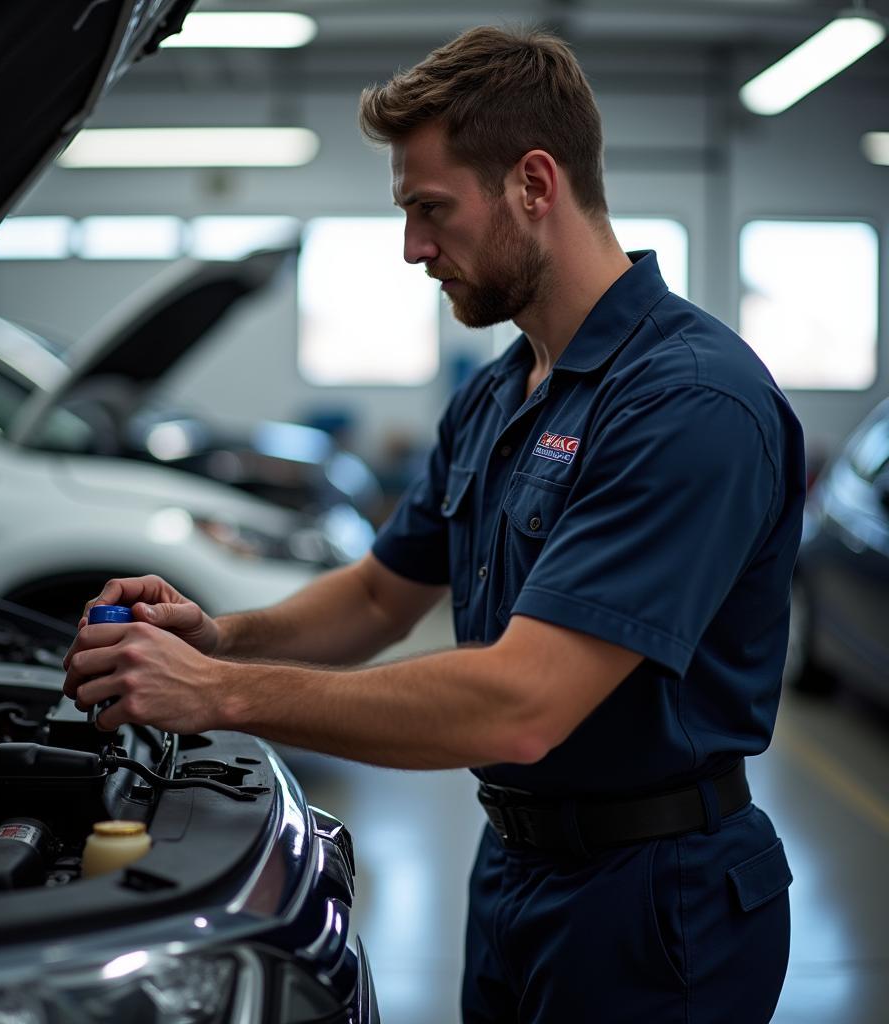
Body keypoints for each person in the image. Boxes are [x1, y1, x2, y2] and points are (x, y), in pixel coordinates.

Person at [63, 25, 806, 1023]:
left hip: (654, 900)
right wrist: (222, 634)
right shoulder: (501, 395)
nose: (415, 247)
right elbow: (379, 593)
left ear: (533, 184)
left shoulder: (687, 404)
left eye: (430, 210)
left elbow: (521, 705)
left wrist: (220, 693)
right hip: (513, 868)